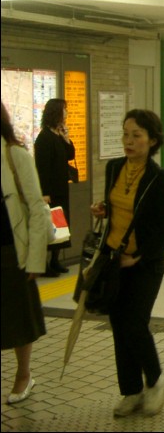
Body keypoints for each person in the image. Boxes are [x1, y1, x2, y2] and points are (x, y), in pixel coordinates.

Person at [89, 109, 164, 416]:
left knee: (134, 324)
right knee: (117, 325)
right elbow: (118, 208)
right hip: (113, 258)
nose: (128, 141)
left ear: (152, 140)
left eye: (136, 135)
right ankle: (130, 391)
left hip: (145, 263)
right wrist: (103, 210)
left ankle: (156, 379)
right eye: (125, 134)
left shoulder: (160, 179)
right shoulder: (114, 168)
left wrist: (137, 256)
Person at [1, 103, 50, 405]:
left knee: (19, 315)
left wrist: (35, 259)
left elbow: (36, 208)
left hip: (10, 248)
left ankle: (24, 374)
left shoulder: (14, 154)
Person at [34, 98, 75, 277]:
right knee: (49, 228)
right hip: (50, 191)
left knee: (60, 226)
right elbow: (42, 168)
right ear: (55, 112)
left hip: (61, 189)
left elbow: (70, 155)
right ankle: (44, 264)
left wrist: (66, 138)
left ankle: (55, 260)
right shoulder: (44, 138)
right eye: (64, 110)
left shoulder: (58, 134)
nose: (66, 113)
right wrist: (45, 192)